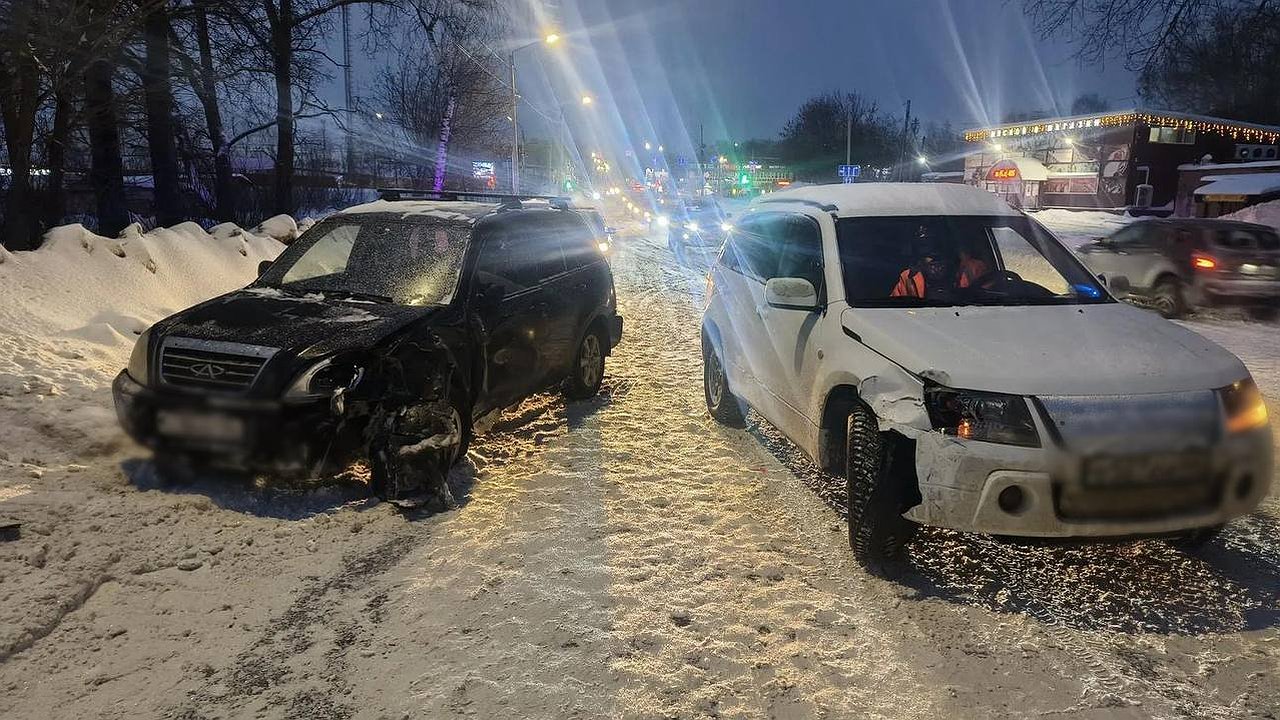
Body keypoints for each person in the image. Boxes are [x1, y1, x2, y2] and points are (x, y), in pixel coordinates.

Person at [890, 228, 958, 299]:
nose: (934, 254)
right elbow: (894, 305)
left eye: (937, 245)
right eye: (926, 246)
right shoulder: (908, 277)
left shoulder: (961, 273)